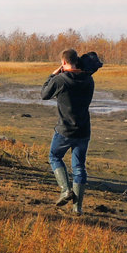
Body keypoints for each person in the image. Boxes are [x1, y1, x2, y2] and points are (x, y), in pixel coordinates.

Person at [40, 48, 99, 215]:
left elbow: (44, 94)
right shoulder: (89, 80)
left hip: (64, 130)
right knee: (79, 167)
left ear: (63, 62)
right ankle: (77, 208)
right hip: (83, 130)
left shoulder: (61, 80)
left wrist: (52, 75)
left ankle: (65, 190)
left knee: (54, 156)